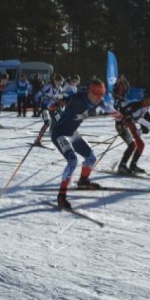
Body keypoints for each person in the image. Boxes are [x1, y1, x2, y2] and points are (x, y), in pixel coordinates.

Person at [53, 79, 109, 209]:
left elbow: (111, 110)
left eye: (101, 94)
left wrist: (123, 119)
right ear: (90, 92)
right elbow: (66, 99)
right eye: (96, 94)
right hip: (60, 133)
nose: (98, 98)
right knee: (72, 161)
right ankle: (61, 196)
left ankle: (83, 181)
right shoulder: (78, 98)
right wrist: (58, 102)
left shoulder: (98, 102)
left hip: (72, 133)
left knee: (91, 158)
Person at [115, 90, 150, 174]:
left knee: (141, 144)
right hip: (121, 125)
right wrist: (124, 120)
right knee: (132, 145)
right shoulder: (136, 105)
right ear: (146, 98)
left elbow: (142, 118)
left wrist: (145, 126)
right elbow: (121, 113)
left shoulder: (146, 107)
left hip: (130, 124)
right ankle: (122, 166)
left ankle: (133, 165)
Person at [32, 74, 64, 147]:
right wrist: (37, 105)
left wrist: (60, 103)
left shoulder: (60, 89)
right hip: (45, 107)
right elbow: (37, 95)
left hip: (53, 107)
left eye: (61, 83)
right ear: (55, 81)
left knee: (60, 122)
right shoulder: (48, 86)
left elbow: (61, 99)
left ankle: (59, 138)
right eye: (58, 83)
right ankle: (38, 139)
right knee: (47, 122)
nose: (59, 85)